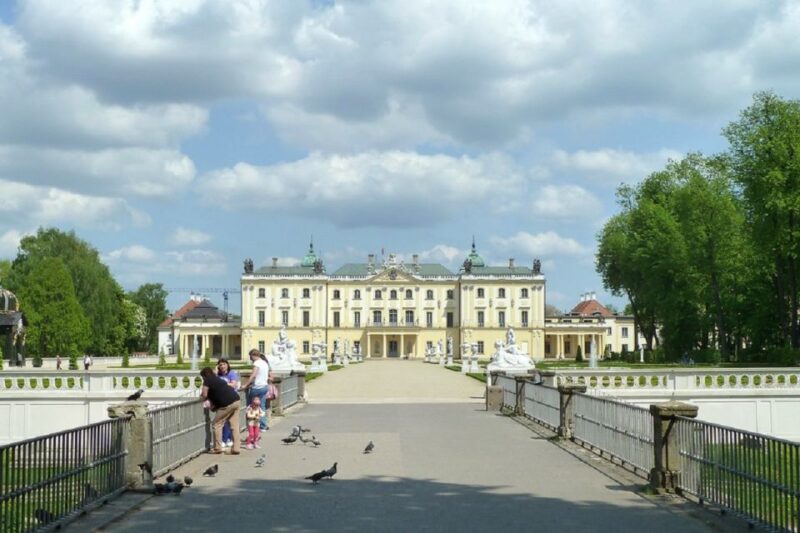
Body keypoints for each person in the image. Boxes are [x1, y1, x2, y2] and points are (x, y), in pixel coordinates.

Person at [200, 366, 242, 455]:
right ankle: (236, 448)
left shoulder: (207, 381)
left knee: (216, 424)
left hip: (226, 404)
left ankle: (217, 448)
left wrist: (202, 398)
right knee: (234, 425)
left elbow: (204, 394)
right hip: (236, 400)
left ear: (204, 376)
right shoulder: (218, 379)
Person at [240, 348, 272, 432]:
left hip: (257, 387)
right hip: (264, 386)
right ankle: (263, 425)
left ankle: (251, 424)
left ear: (253, 355)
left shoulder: (257, 363)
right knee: (262, 406)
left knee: (251, 406)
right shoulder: (264, 363)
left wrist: (246, 385)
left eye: (250, 357)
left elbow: (253, 375)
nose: (250, 359)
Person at [216, 359, 240, 448]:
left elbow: (234, 384)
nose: (222, 366)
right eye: (220, 365)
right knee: (224, 421)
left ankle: (226, 439)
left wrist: (223, 384)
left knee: (230, 421)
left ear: (227, 365)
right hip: (222, 400)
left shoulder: (231, 373)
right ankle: (227, 439)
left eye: (224, 364)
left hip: (232, 399)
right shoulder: (218, 375)